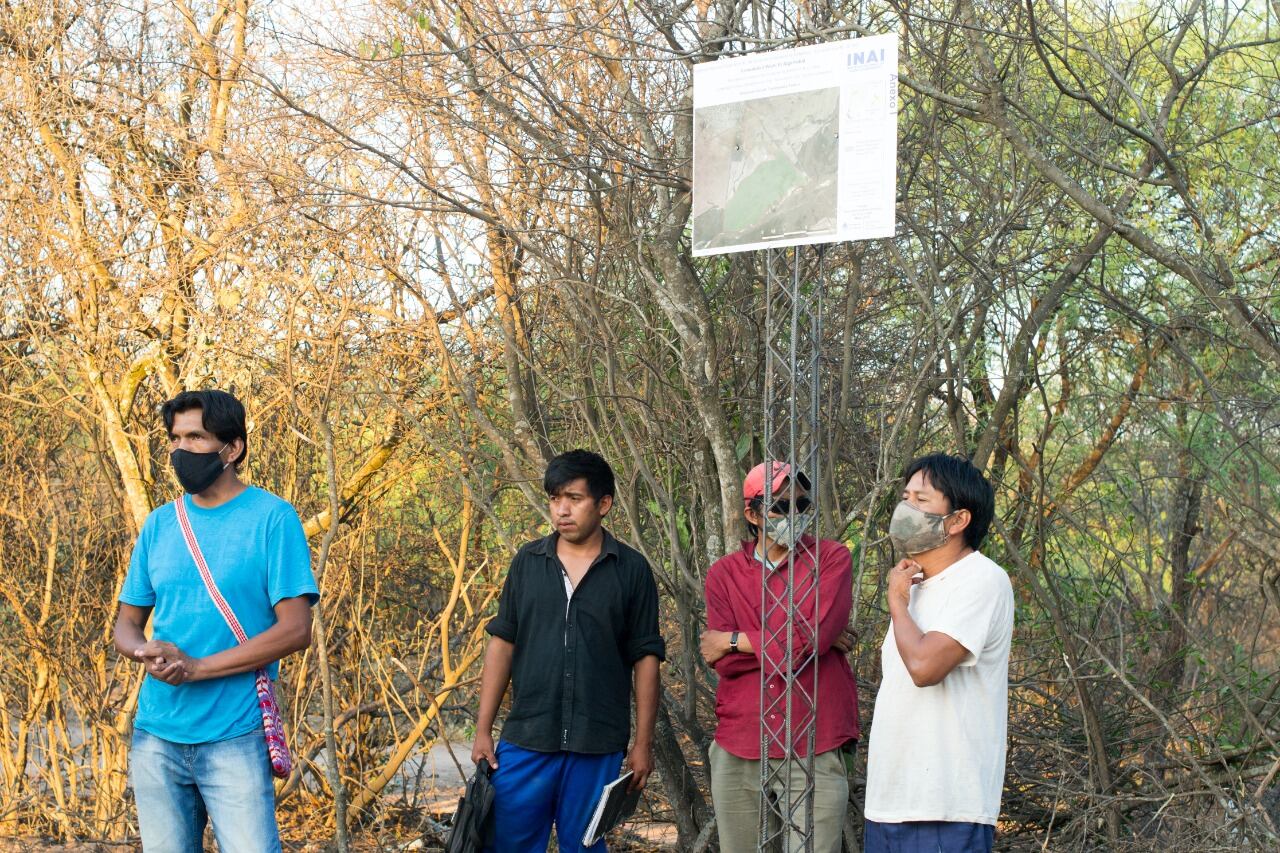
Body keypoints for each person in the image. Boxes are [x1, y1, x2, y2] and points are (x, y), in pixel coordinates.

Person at [113, 389, 318, 853]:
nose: (181, 449)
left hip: (235, 734)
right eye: (175, 438)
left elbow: (296, 629)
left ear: (232, 448)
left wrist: (197, 668)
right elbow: (126, 625)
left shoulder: (273, 519)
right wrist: (145, 650)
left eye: (196, 437)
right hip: (156, 733)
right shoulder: (160, 524)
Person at [471, 449, 665, 852]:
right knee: (508, 844)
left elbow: (646, 658)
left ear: (603, 504)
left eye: (574, 498)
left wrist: (642, 744)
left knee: (584, 847)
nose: (562, 509)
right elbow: (502, 643)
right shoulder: (528, 562)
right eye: (555, 498)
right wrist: (483, 730)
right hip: (527, 738)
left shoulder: (631, 570)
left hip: (597, 742)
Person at [699, 461, 859, 853]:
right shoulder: (724, 574)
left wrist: (734, 640)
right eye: (780, 506)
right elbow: (725, 663)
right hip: (741, 739)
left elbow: (813, 638)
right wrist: (808, 638)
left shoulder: (831, 559)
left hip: (813, 739)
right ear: (752, 514)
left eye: (802, 505)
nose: (794, 514)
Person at [863, 453, 1014, 853]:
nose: (905, 508)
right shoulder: (914, 587)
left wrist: (897, 603)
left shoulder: (982, 579)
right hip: (888, 803)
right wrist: (903, 599)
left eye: (921, 500)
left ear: (958, 520)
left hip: (946, 807)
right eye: (905, 497)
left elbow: (925, 666)